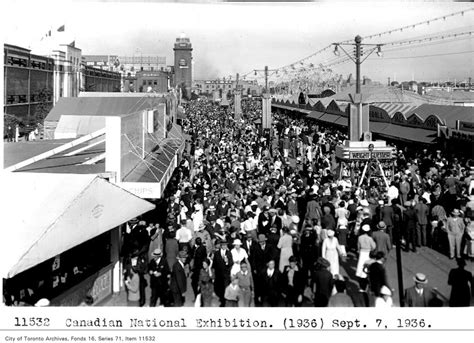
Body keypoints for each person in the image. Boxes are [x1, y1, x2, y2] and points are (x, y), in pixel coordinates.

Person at [213, 239, 233, 306]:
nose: (224, 246)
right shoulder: (216, 253)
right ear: (221, 245)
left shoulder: (229, 253)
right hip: (218, 274)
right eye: (223, 245)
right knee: (220, 288)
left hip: (226, 274)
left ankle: (224, 302)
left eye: (225, 245)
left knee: (225, 287)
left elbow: (231, 263)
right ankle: (222, 298)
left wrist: (227, 262)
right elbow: (214, 264)